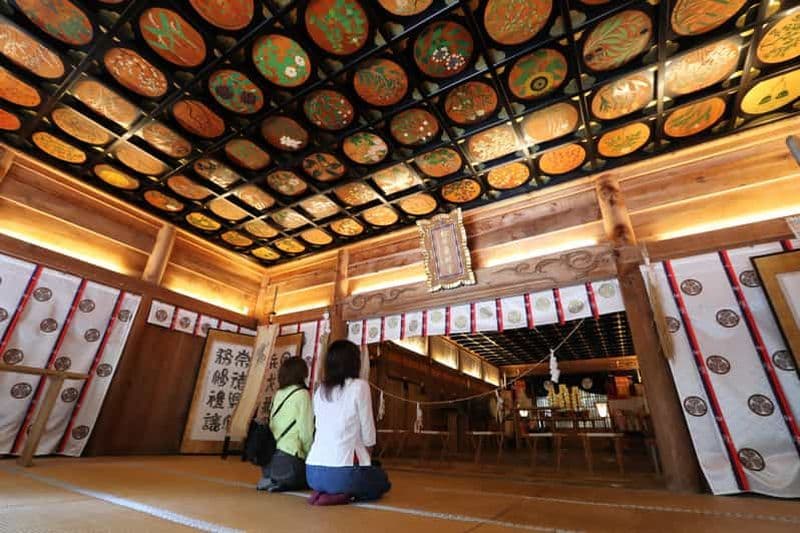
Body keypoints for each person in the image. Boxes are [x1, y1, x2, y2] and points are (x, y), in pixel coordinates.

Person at [305, 340, 391, 505]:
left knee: (365, 474)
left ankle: (326, 491)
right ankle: (344, 494)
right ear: (355, 362)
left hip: (312, 473)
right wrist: (368, 454)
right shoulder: (360, 386)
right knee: (382, 481)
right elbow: (368, 433)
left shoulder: (320, 390)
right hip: (342, 474)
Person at [256, 356, 314, 492]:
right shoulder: (302, 394)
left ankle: (272, 480)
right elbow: (306, 432)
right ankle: (283, 481)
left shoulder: (279, 393)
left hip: (269, 462)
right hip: (289, 461)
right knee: (315, 479)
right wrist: (308, 456)